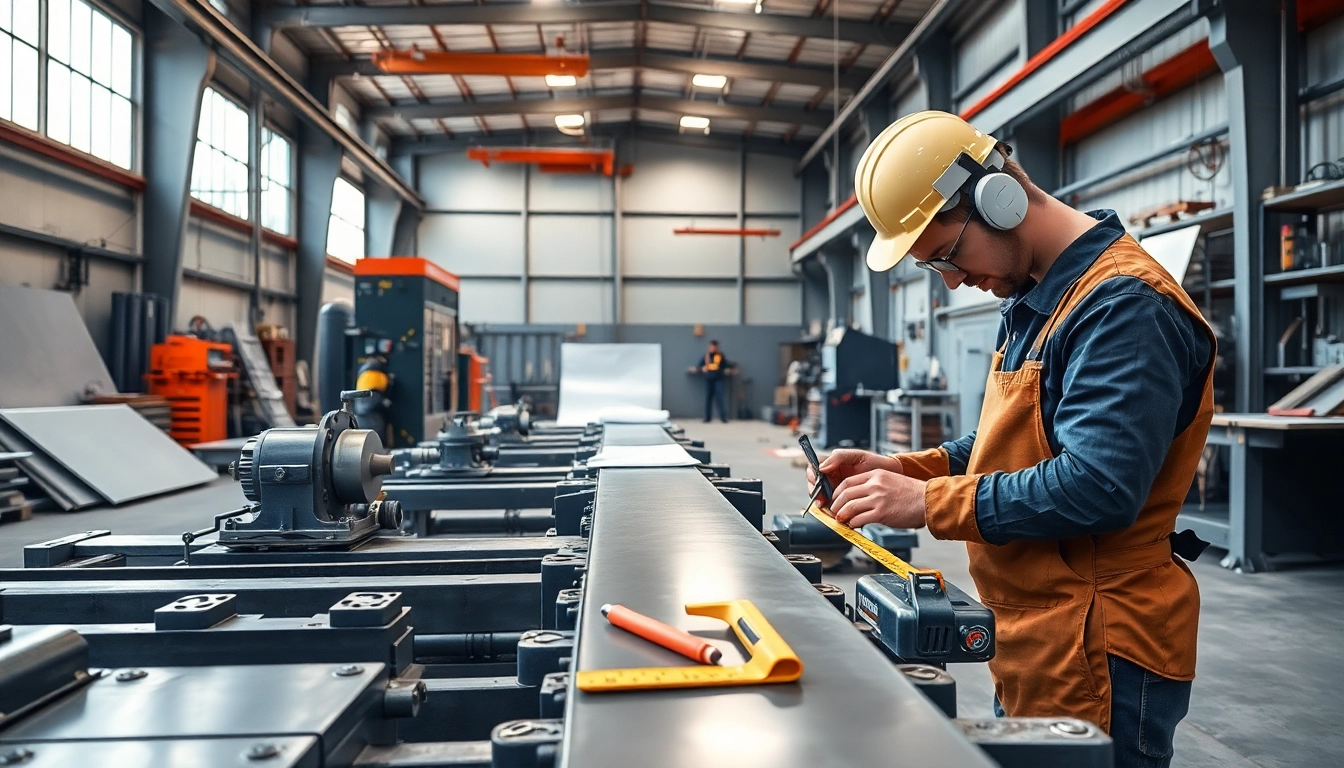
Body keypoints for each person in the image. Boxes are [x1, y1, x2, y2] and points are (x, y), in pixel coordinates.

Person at [809, 111, 1214, 768]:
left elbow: (1098, 485)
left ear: (1000, 199)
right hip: (1037, 634)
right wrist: (905, 468)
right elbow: (1012, 441)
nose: (950, 280)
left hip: (1098, 643)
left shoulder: (1122, 307)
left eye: (945, 256)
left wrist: (928, 504)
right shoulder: (1035, 300)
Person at [353, 354, 392, 441]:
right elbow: (372, 400)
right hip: (371, 418)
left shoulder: (364, 374)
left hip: (363, 417)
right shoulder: (374, 376)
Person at [699, 341, 729, 423]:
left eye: (715, 347)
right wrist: (703, 368)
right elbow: (700, 366)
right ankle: (707, 418)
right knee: (708, 398)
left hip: (718, 379)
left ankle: (723, 417)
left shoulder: (720, 356)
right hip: (708, 380)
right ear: (709, 347)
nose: (713, 348)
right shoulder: (706, 356)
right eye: (712, 346)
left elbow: (726, 365)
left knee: (720, 398)